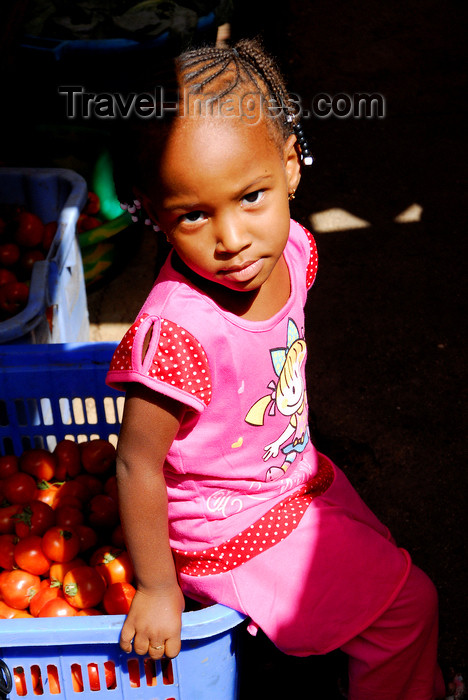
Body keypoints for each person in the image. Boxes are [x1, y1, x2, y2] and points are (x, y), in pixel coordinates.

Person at [106, 39, 446, 699]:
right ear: (152, 212)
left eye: (251, 196)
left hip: (291, 476)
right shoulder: (177, 332)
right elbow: (135, 462)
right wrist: (156, 586)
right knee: (410, 606)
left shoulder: (292, 249)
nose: (231, 239)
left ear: (290, 167)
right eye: (194, 215)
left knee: (382, 561)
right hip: (226, 527)